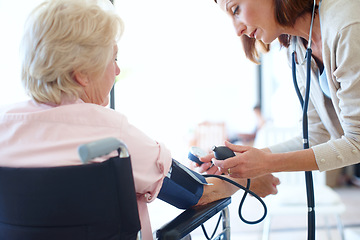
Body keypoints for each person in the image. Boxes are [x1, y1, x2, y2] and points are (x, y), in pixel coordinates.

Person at [0, 0, 280, 239]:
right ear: (81, 73)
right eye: (112, 59)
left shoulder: (4, 128)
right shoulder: (111, 136)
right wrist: (250, 182)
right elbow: (195, 193)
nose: (117, 70)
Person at [199, 0, 360, 181]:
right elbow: (315, 135)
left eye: (236, 10)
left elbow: (357, 141)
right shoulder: (297, 47)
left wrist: (267, 163)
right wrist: (243, 160)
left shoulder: (348, 26)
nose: (237, 31)